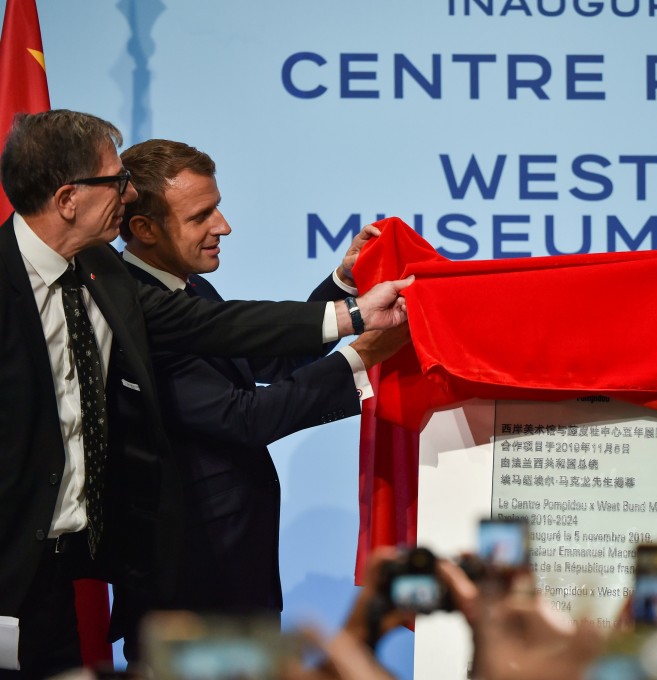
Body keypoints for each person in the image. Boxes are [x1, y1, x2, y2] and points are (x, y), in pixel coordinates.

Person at [0, 109, 410, 677]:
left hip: (78, 577)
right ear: (69, 197)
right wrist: (358, 354)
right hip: (167, 575)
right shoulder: (74, 280)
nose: (127, 195)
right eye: (117, 182)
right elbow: (243, 416)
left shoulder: (107, 276)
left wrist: (348, 301)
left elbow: (241, 339)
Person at [108, 138, 411, 659]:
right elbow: (242, 417)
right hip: (192, 588)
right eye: (202, 215)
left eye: (218, 207)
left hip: (233, 575)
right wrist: (360, 355)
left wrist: (344, 281)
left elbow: (265, 362)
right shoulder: (137, 309)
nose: (223, 226)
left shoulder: (184, 284)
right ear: (144, 228)